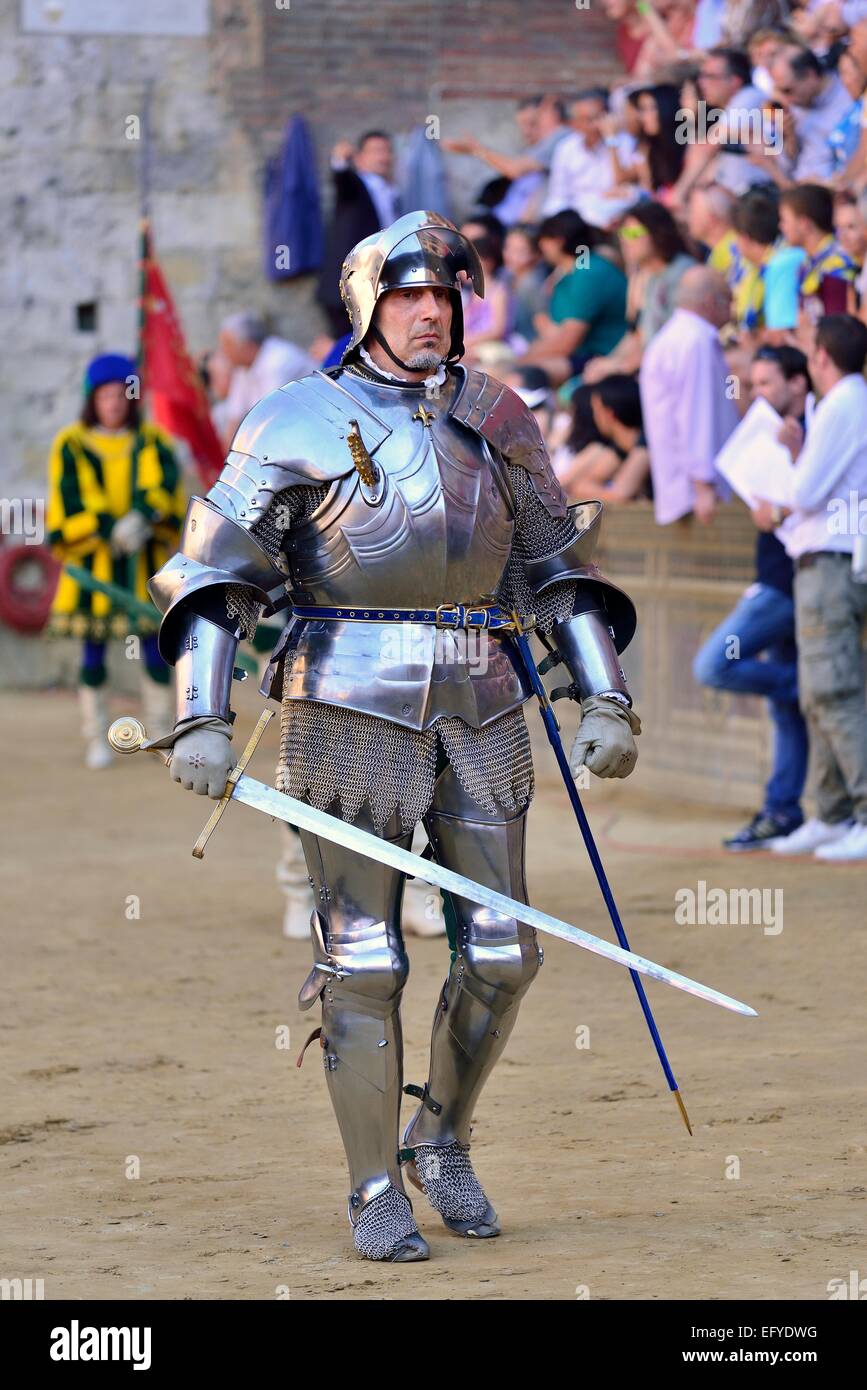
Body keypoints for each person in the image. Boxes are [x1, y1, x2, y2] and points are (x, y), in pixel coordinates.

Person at [147, 211, 641, 1262]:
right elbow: (211, 570)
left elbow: (557, 566)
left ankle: (442, 1139)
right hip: (345, 700)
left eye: (446, 297)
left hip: (483, 699)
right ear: (370, 302)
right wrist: (200, 713)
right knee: (364, 961)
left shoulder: (500, 414)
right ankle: (374, 1186)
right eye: (411, 295)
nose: (431, 313)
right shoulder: (293, 418)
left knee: (505, 952)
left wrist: (606, 695)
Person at [753, 315, 867, 861]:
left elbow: (804, 490)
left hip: (832, 561)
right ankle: (835, 812)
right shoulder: (846, 400)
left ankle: (860, 813)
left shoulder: (844, 401)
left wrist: (787, 471)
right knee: (821, 691)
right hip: (829, 559)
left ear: (821, 357)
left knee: (834, 691)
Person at [693, 345, 811, 849]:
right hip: (776, 578)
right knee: (786, 711)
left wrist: (796, 465)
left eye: (766, 383)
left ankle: (810, 685)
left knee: (713, 665)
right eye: (754, 383)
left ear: (800, 383)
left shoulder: (821, 427)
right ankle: (782, 810)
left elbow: (830, 501)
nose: (757, 393)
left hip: (794, 582)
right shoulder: (772, 431)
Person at [46, 353, 185, 768]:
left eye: (120, 394)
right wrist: (109, 528)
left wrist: (144, 517)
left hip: (144, 568)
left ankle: (160, 732)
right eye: (105, 395)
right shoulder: (71, 443)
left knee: (154, 650)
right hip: (94, 572)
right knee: (93, 651)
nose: (113, 403)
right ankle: (97, 734)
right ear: (93, 399)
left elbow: (165, 488)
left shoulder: (153, 441)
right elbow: (70, 497)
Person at [639, 266, 739, 524]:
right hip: (697, 492)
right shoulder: (696, 341)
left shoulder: (676, 336)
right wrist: (703, 485)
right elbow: (696, 414)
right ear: (710, 302)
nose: (733, 310)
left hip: (685, 486)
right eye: (729, 300)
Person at [519, 211, 628, 384]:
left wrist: (518, 363)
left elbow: (566, 344)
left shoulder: (587, 272)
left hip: (605, 356)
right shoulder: (570, 271)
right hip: (584, 354)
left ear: (558, 241)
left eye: (544, 239)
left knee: (525, 376)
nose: (541, 245)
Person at [316, 132, 401, 336]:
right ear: (359, 158)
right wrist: (340, 161)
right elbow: (343, 180)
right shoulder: (357, 185)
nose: (384, 157)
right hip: (348, 288)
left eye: (387, 151)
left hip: (375, 286)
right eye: (376, 151)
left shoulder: (391, 192)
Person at [217, 313, 315, 447]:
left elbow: (270, 419)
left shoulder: (277, 361)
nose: (224, 352)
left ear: (247, 346)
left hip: (309, 425)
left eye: (227, 346)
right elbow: (234, 418)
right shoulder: (243, 368)